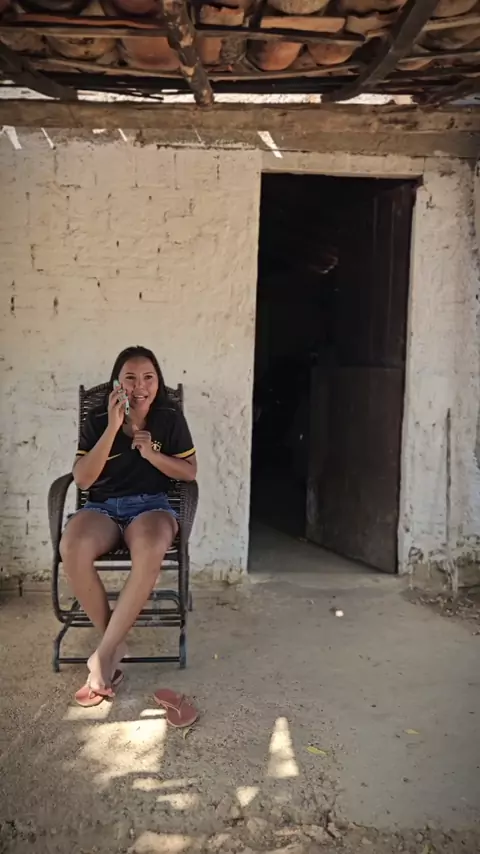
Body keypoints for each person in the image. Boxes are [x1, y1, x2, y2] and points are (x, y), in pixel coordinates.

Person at [60, 346, 197, 705]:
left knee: (151, 547)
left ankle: (103, 654)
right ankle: (113, 647)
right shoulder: (97, 419)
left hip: (151, 507)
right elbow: (83, 480)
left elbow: (189, 472)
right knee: (72, 546)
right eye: (130, 378)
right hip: (102, 507)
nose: (140, 386)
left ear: (158, 382)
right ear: (116, 384)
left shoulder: (169, 417)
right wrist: (112, 427)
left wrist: (151, 453)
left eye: (148, 377)